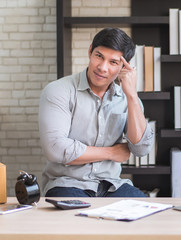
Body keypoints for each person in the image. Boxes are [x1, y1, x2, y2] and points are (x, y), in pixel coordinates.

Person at [39, 28, 154, 197]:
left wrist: (132, 95)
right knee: (78, 220)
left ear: (124, 67)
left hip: (111, 185)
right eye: (99, 56)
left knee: (146, 213)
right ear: (90, 51)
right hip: (67, 184)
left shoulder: (128, 100)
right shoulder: (58, 91)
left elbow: (141, 149)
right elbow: (56, 148)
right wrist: (112, 153)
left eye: (113, 62)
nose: (102, 67)